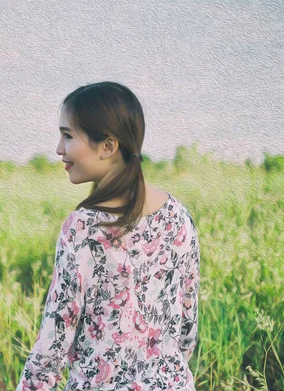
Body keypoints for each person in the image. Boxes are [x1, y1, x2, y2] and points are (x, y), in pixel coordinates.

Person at [16, 81, 200, 391]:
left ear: (108, 146)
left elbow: (55, 340)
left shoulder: (83, 227)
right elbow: (187, 324)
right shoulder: (177, 214)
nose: (59, 149)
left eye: (68, 136)